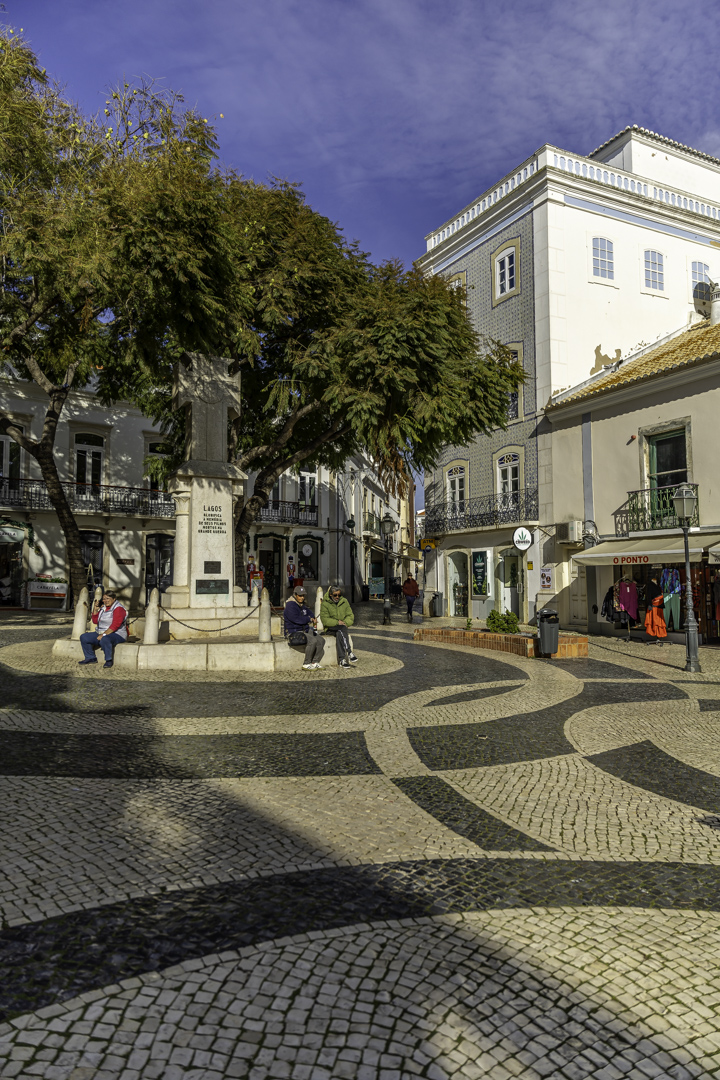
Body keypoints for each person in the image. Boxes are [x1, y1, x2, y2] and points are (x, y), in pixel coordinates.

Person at [79, 590, 128, 668]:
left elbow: (115, 625)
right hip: (101, 632)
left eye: (108, 598)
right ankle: (90, 657)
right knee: (84, 637)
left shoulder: (118, 608)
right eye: (104, 599)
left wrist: (103, 634)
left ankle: (108, 660)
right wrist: (95, 610)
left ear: (114, 599)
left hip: (117, 634)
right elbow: (95, 621)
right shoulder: (103, 608)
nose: (105, 601)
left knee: (105, 639)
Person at [284, 585, 325, 670]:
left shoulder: (302, 605)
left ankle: (315, 662)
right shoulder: (290, 605)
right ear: (295, 595)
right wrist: (308, 619)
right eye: (300, 595)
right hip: (294, 631)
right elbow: (296, 619)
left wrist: (312, 618)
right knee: (313, 641)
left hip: (304, 630)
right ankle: (306, 663)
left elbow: (310, 613)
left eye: (303, 596)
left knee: (321, 640)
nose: (302, 598)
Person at [320, 585, 357, 668]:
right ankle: (349, 652)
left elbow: (350, 615)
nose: (337, 597)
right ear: (330, 595)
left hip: (341, 627)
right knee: (341, 629)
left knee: (340, 632)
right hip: (330, 627)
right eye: (335, 595)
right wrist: (337, 622)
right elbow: (325, 620)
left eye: (339, 595)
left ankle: (342, 660)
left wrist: (345, 623)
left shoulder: (344, 601)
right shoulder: (325, 603)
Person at [645, 574, 667, 646]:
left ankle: (659, 635)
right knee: (656, 622)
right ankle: (657, 635)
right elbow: (648, 595)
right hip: (654, 606)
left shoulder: (657, 585)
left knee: (658, 622)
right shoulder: (650, 585)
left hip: (658, 606)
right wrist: (649, 604)